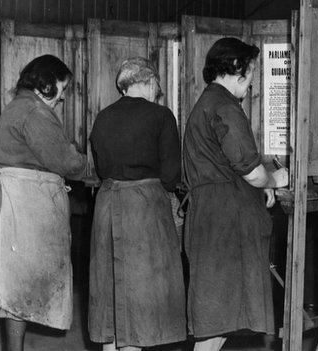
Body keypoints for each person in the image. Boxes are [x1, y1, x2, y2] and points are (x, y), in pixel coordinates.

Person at [182, 37, 289, 351]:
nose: (252, 81)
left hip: (211, 216)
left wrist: (259, 189)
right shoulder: (226, 107)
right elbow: (252, 171)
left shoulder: (206, 103)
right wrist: (276, 179)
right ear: (238, 69)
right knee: (218, 316)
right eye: (251, 72)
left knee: (219, 317)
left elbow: (226, 167)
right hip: (225, 224)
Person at [0, 55, 88, 351]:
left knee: (16, 293)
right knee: (16, 293)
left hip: (16, 203)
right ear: (47, 84)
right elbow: (66, 162)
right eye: (62, 90)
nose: (62, 98)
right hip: (19, 206)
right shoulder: (33, 111)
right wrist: (93, 166)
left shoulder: (22, 106)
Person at [88, 57, 186, 351]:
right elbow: (170, 176)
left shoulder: (102, 117)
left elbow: (98, 169)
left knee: (112, 297)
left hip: (106, 205)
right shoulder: (161, 116)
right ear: (149, 81)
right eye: (157, 85)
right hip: (144, 210)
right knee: (141, 300)